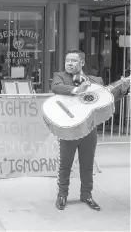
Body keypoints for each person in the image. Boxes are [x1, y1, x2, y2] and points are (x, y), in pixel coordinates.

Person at [51, 50, 129, 211]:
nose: (69, 63)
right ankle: (62, 195)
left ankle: (86, 195)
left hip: (89, 129)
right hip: (69, 128)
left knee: (87, 165)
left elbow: (108, 98)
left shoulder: (96, 81)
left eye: (73, 60)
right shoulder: (60, 76)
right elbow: (56, 88)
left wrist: (123, 89)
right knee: (65, 164)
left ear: (82, 63)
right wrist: (77, 91)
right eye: (67, 60)